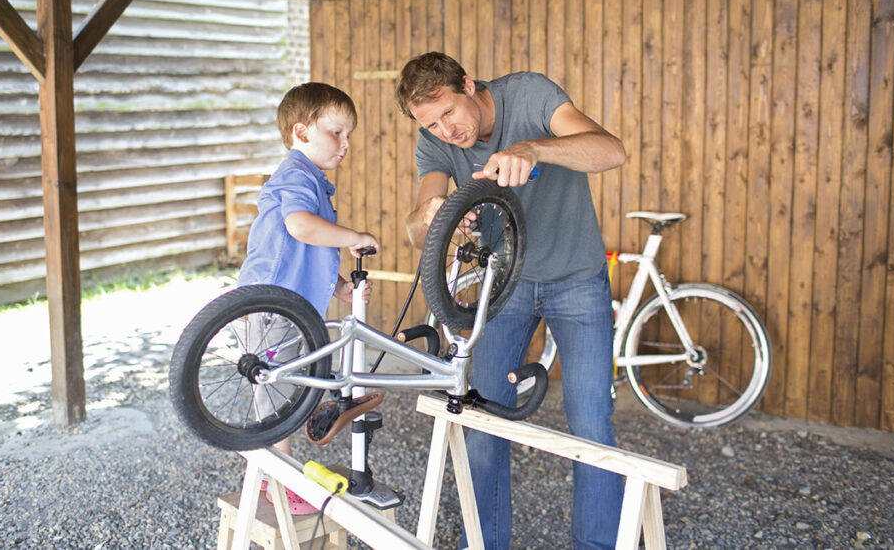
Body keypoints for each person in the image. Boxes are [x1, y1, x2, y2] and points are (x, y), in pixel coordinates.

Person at [394, 52, 627, 550]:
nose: (445, 130)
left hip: (579, 280)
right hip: (507, 285)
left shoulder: (530, 94)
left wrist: (534, 149)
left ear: (469, 84)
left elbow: (611, 152)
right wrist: (435, 218)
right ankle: (484, 544)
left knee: (591, 425)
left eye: (449, 113)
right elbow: (416, 227)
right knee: (483, 419)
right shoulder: (433, 140)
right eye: (431, 124)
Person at [237, 81, 379, 514]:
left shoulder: (311, 180)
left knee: (288, 395)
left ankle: (271, 476)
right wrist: (354, 235)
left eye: (349, 135)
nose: (346, 144)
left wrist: (338, 286)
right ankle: (274, 481)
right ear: (302, 132)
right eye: (336, 132)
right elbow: (300, 226)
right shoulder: (297, 175)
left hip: (288, 309)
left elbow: (306, 247)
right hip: (271, 309)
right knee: (280, 400)